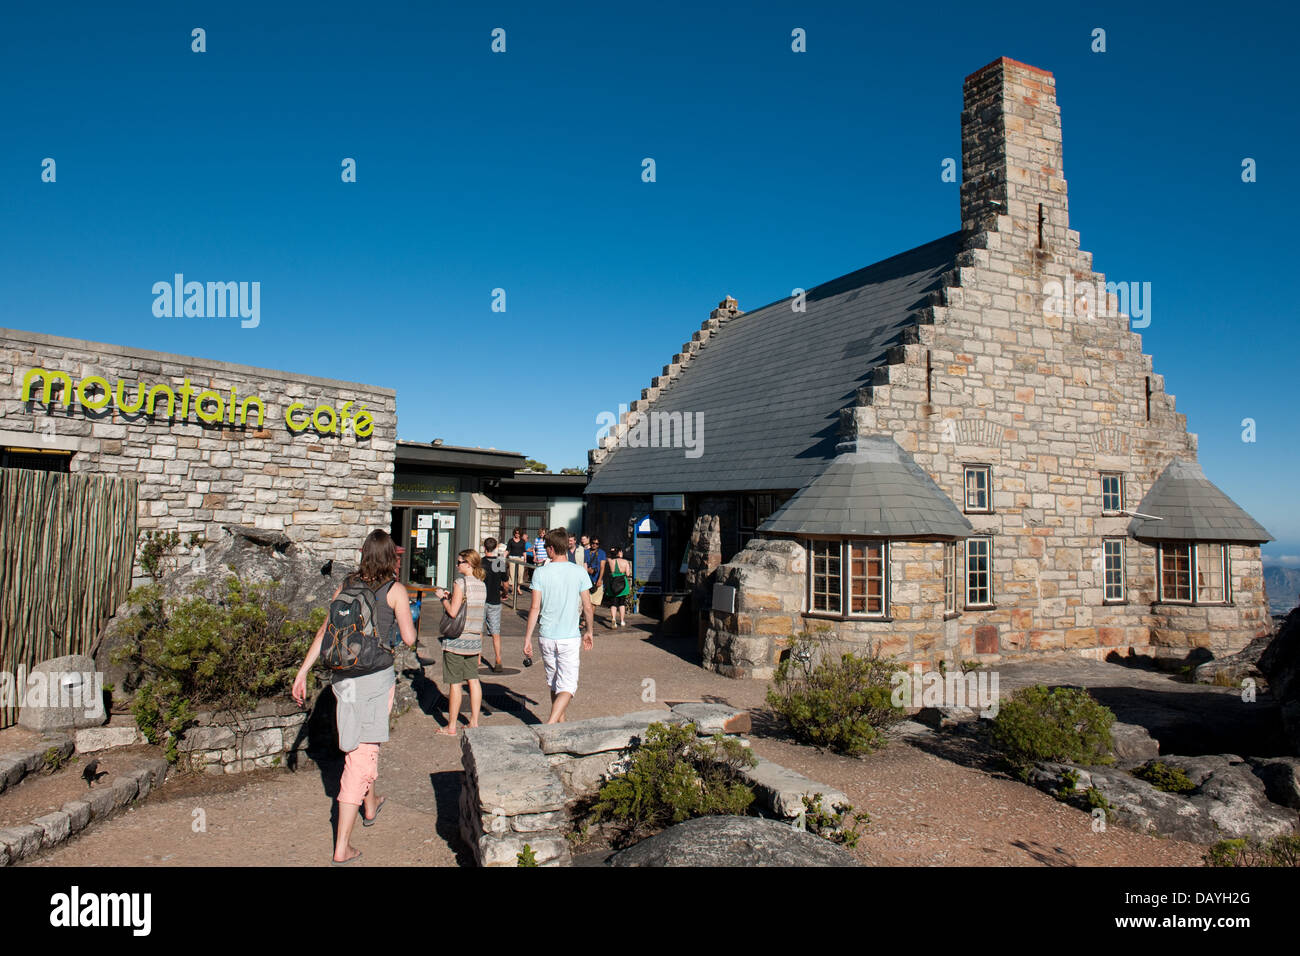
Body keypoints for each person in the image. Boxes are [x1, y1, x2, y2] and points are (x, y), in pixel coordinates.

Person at [292, 529, 417, 866]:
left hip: (342, 679)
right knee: (361, 755)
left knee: (360, 744)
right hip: (375, 678)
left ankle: (371, 803)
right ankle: (342, 845)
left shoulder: (347, 584)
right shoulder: (395, 590)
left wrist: (302, 672)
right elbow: (408, 636)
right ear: (391, 557)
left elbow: (325, 631)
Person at [523, 528, 594, 724]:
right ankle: (551, 725)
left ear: (552, 548)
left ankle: (560, 727)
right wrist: (589, 631)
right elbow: (587, 606)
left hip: (546, 635)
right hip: (569, 636)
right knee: (568, 687)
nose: (545, 550)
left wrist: (528, 637)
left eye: (546, 547)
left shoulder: (540, 573)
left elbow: (534, 607)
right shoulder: (579, 572)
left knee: (555, 684)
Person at [433, 549, 487, 736]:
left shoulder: (460, 583)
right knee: (473, 680)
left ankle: (452, 726)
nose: (457, 565)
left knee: (455, 683)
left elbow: (453, 612)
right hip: (473, 639)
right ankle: (474, 721)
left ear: (468, 563)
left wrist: (442, 598)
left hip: (457, 640)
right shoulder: (481, 585)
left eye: (459, 562)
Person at [480, 537, 507, 672]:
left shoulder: (480, 563)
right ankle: (498, 659)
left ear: (484, 548)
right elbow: (505, 581)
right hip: (495, 600)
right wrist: (505, 592)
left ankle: (478, 658)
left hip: (481, 600)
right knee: (495, 632)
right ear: (495, 548)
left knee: (479, 630)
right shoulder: (499, 562)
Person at [602, 546, 633, 628]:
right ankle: (622, 621)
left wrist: (612, 552)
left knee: (613, 603)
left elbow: (607, 557)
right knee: (622, 603)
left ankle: (614, 619)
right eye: (621, 552)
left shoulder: (610, 561)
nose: (622, 553)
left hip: (612, 583)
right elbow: (628, 574)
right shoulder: (625, 562)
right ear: (619, 553)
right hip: (622, 583)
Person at [505, 528, 528, 595]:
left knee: (520, 573)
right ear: (514, 533)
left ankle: (518, 587)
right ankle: (513, 589)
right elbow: (507, 550)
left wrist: (525, 559)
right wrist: (503, 557)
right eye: (516, 533)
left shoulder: (522, 541)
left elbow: (524, 551)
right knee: (512, 574)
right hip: (512, 558)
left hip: (520, 558)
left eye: (518, 533)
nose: (517, 534)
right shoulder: (510, 540)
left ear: (520, 534)